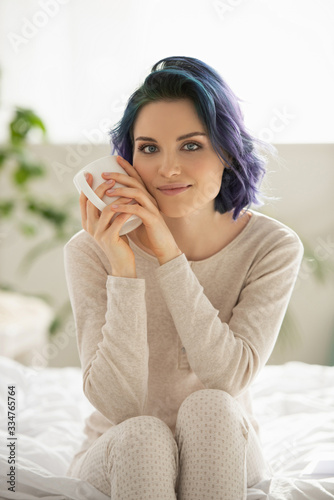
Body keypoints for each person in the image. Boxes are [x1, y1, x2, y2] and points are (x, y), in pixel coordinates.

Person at [64, 56, 304, 499]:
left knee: (212, 405)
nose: (167, 169)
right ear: (127, 159)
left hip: (224, 439)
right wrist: (124, 268)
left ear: (228, 152)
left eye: (191, 145)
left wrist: (169, 257)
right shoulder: (90, 251)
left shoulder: (272, 247)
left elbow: (228, 379)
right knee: (144, 434)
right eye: (149, 148)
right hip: (121, 445)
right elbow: (120, 406)